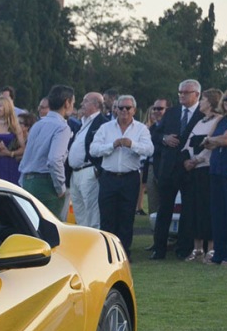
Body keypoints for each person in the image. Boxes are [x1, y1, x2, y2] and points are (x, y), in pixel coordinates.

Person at [90, 95, 154, 255]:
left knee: (127, 216)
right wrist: (112, 145)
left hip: (130, 178)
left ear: (134, 110)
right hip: (109, 177)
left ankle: (123, 252)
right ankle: (107, 253)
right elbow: (93, 149)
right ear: (116, 110)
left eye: (128, 108)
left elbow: (149, 150)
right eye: (121, 108)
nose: (124, 110)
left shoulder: (141, 129)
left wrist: (132, 145)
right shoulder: (105, 128)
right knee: (107, 216)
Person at [150, 79, 203, 259]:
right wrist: (164, 138)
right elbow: (155, 134)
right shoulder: (172, 113)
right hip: (168, 169)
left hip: (189, 169)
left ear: (196, 94)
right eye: (180, 92)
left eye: (186, 92)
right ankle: (159, 249)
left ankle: (183, 249)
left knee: (188, 211)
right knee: (164, 209)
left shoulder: (203, 114)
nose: (181, 95)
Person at [18, 85, 75, 215]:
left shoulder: (37, 125)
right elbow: (54, 160)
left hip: (28, 180)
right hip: (47, 184)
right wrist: (60, 187)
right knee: (50, 225)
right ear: (67, 103)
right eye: (73, 103)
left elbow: (28, 155)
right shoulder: (62, 127)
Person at [180, 88, 221, 261]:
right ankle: (197, 249)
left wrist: (196, 160)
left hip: (207, 170)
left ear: (210, 102)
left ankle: (211, 248)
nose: (200, 103)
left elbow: (211, 145)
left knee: (207, 208)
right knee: (194, 208)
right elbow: (188, 144)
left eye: (203, 99)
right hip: (194, 171)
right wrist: (186, 160)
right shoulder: (199, 122)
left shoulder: (218, 121)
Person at [67, 92, 109, 228]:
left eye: (85, 101)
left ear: (96, 105)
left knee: (92, 213)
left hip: (89, 171)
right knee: (79, 212)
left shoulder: (103, 123)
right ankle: (83, 238)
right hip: (75, 173)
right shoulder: (82, 122)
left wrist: (97, 169)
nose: (81, 104)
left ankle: (94, 239)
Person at [202, 87, 227, 265]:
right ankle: (219, 253)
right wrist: (216, 140)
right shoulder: (221, 119)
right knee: (218, 213)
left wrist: (215, 140)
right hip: (216, 169)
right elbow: (207, 142)